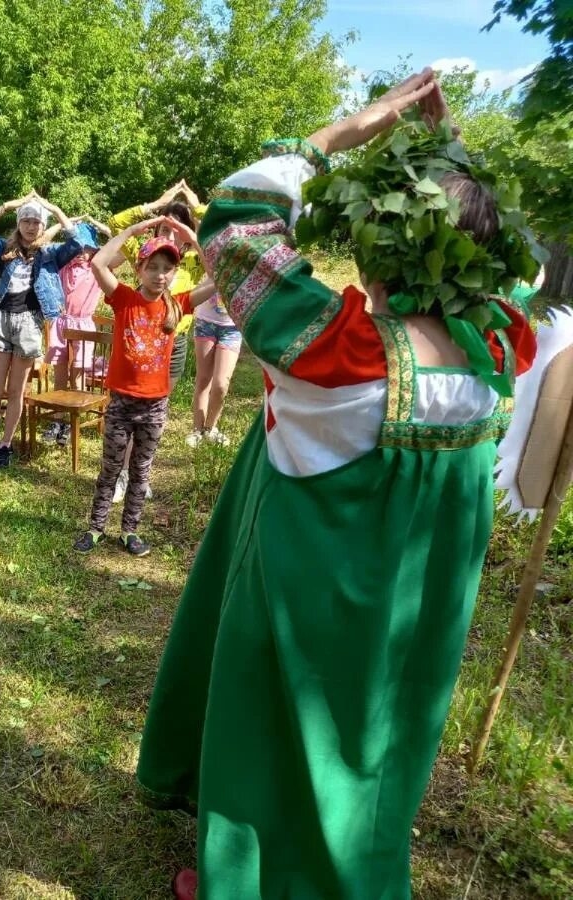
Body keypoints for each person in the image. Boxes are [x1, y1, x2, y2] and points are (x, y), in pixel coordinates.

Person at [136, 70, 538, 900]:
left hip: (307, 585)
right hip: (414, 609)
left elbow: (240, 221)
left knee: (284, 715)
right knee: (377, 732)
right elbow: (504, 278)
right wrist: (447, 157)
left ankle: (249, 876)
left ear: (377, 244)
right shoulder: (498, 351)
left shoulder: (340, 352)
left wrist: (348, 133)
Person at [72, 221, 214, 557]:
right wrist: (135, 230)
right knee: (111, 467)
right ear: (139, 269)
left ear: (175, 272)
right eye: (153, 267)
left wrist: (192, 238)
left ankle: (129, 531)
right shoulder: (123, 298)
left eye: (168, 269)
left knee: (141, 470)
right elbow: (97, 263)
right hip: (122, 401)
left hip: (154, 405)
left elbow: (217, 277)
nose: (160, 275)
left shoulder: (178, 304)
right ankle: (95, 528)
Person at [0, 193, 91, 468]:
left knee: (16, 389)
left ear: (42, 225)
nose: (30, 226)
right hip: (1, 319)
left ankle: (5, 445)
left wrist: (54, 208)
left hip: (28, 322)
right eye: (25, 220)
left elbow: (78, 241)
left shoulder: (50, 255)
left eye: (36, 222)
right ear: (19, 223)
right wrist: (7, 205)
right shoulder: (4, 249)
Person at [107, 184, 209, 500]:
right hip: (137, 345)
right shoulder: (144, 254)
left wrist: (194, 223)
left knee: (153, 416)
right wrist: (155, 205)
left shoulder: (190, 261)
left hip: (171, 346)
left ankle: (139, 472)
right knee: (131, 413)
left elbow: (216, 265)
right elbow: (115, 224)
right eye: (165, 228)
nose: (170, 234)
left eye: (176, 230)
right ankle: (123, 475)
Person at [40, 218, 111, 448]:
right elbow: (42, 246)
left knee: (78, 373)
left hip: (83, 326)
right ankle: (57, 419)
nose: (81, 253)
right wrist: (63, 224)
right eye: (78, 247)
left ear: (93, 250)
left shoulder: (96, 270)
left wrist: (103, 229)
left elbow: (120, 251)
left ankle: (73, 419)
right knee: (60, 372)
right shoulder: (61, 266)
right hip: (62, 324)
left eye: (87, 248)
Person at [186, 285, 240, 447]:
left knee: (221, 385)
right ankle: (198, 430)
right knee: (203, 380)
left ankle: (210, 428)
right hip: (205, 323)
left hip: (232, 328)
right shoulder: (209, 259)